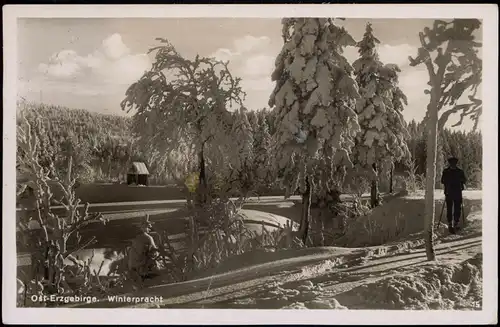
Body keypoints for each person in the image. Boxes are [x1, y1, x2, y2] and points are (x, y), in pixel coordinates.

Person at [127, 216, 160, 284]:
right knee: (157, 263)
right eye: (148, 227)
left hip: (132, 265)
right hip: (141, 264)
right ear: (144, 228)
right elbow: (154, 252)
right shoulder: (148, 238)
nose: (149, 229)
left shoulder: (136, 238)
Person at [441, 157, 467, 234]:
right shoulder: (446, 171)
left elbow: (464, 180)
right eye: (451, 163)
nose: (453, 164)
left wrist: (461, 181)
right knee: (449, 209)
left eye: (454, 163)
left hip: (457, 192)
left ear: (456, 163)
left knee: (457, 208)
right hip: (449, 192)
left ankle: (456, 223)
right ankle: (450, 223)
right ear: (450, 163)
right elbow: (442, 181)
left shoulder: (460, 172)